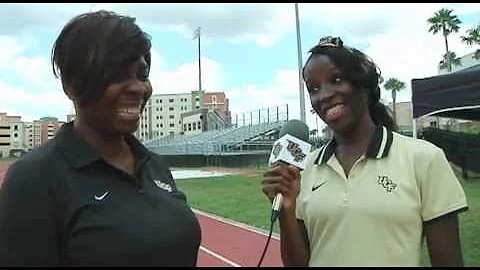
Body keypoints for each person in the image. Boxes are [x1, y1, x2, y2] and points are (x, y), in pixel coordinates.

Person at [0, 10, 201, 267]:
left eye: (142, 75)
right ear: (71, 85)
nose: (138, 88)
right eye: (117, 75)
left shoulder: (155, 166)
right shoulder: (34, 179)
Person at [261, 36, 468, 267]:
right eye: (314, 88)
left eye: (336, 79)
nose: (324, 95)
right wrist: (287, 211)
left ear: (364, 84)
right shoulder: (304, 170)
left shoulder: (424, 159)